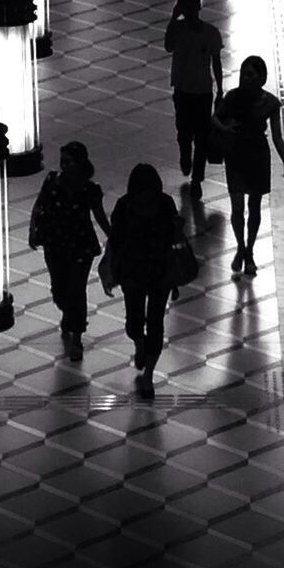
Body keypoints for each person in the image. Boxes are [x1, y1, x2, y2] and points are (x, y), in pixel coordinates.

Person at [211, 56, 284, 277]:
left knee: (255, 207)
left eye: (251, 74)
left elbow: (277, 137)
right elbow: (216, 118)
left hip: (258, 155)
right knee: (237, 206)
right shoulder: (233, 97)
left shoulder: (270, 103)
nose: (246, 78)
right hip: (236, 153)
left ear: (261, 77)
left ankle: (248, 250)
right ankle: (242, 246)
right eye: (243, 74)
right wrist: (225, 130)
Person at [28, 142, 112, 361]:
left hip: (80, 245)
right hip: (54, 242)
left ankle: (77, 336)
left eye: (69, 161)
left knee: (76, 288)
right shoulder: (52, 180)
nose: (64, 166)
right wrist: (33, 230)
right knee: (59, 288)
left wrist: (114, 238)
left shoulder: (90, 190)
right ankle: (68, 313)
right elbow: (39, 205)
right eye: (63, 161)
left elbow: (100, 216)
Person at [108, 163, 181, 399]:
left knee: (156, 323)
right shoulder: (126, 206)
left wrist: (175, 278)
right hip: (134, 273)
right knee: (134, 321)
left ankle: (149, 373)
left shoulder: (165, 204)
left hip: (159, 274)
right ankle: (140, 344)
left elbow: (174, 240)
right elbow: (116, 241)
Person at [164, 0, 224, 200]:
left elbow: (216, 61)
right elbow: (168, 46)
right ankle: (184, 155)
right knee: (184, 131)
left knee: (201, 136)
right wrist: (173, 19)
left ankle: (197, 177)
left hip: (203, 91)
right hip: (182, 89)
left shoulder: (211, 33)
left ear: (198, 8)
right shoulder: (178, 29)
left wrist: (220, 89)